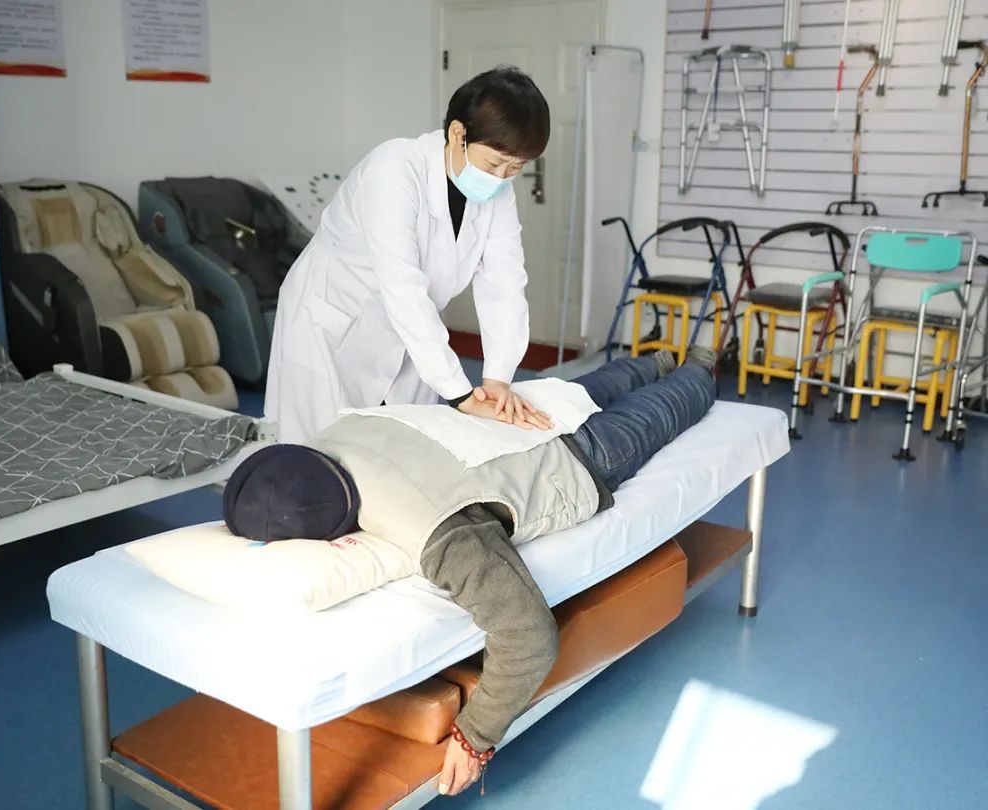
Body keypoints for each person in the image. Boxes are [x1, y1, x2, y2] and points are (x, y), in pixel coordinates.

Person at [225, 348, 718, 796]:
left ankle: (698, 368)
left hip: (576, 456)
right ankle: (656, 360)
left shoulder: (432, 530)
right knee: (590, 388)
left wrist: (475, 736)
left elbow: (527, 636)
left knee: (671, 404)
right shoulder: (336, 430)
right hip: (516, 419)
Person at [265, 66, 555, 442]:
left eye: (515, 168)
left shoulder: (498, 190)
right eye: (494, 163)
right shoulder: (393, 171)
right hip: (333, 326)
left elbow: (505, 282)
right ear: (458, 133)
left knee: (407, 449)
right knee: (318, 453)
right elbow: (402, 287)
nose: (501, 178)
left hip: (411, 333)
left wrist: (497, 379)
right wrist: (460, 394)